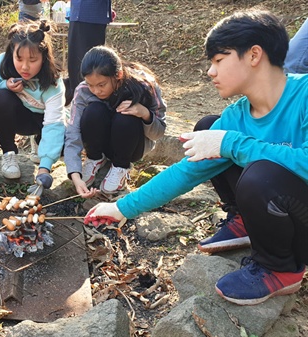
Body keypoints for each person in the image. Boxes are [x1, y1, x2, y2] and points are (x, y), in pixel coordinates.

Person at [84, 10, 308, 306]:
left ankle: (281, 269)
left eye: (218, 60)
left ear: (254, 55)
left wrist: (232, 143)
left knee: (257, 172)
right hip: (283, 206)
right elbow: (188, 171)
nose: (210, 72)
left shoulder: (303, 94)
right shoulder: (237, 116)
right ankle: (245, 220)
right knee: (207, 132)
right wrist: (122, 208)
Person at [64, 46, 166, 196]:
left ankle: (120, 167)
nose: (96, 91)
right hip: (100, 143)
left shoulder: (144, 86)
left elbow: (159, 132)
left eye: (101, 85)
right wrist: (74, 174)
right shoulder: (83, 90)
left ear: (117, 75)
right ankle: (95, 158)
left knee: (126, 115)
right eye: (91, 85)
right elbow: (73, 132)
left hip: (131, 145)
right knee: (93, 111)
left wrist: (144, 113)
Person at [0, 20, 66, 197]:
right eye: (19, 59)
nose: (25, 67)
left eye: (32, 60)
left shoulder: (53, 82)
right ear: (12, 53)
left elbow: (54, 123)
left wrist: (44, 167)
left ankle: (39, 143)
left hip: (41, 121)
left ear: (44, 58)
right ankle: (9, 153)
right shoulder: (1, 64)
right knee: (1, 98)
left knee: (61, 140)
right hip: (18, 117)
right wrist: (3, 84)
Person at [64, 0, 114, 105]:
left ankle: (90, 102)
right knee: (76, 64)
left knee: (91, 65)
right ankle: (79, 101)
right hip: (79, 14)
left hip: (91, 15)